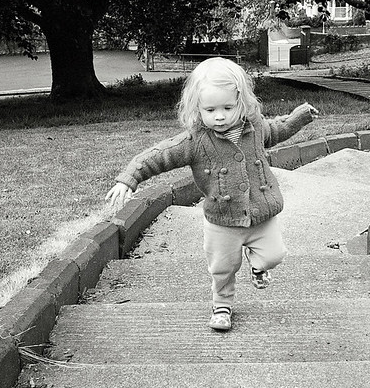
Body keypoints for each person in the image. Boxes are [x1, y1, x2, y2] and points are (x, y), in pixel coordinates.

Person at [106, 57, 319, 331]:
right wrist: (130, 178)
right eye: (210, 109)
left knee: (274, 255)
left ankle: (257, 266)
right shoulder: (194, 142)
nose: (219, 116)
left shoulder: (254, 129)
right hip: (221, 222)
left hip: (260, 213)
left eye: (228, 107)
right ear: (197, 109)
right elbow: (159, 155)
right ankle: (222, 305)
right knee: (223, 268)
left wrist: (300, 116)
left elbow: (278, 128)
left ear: (241, 103)